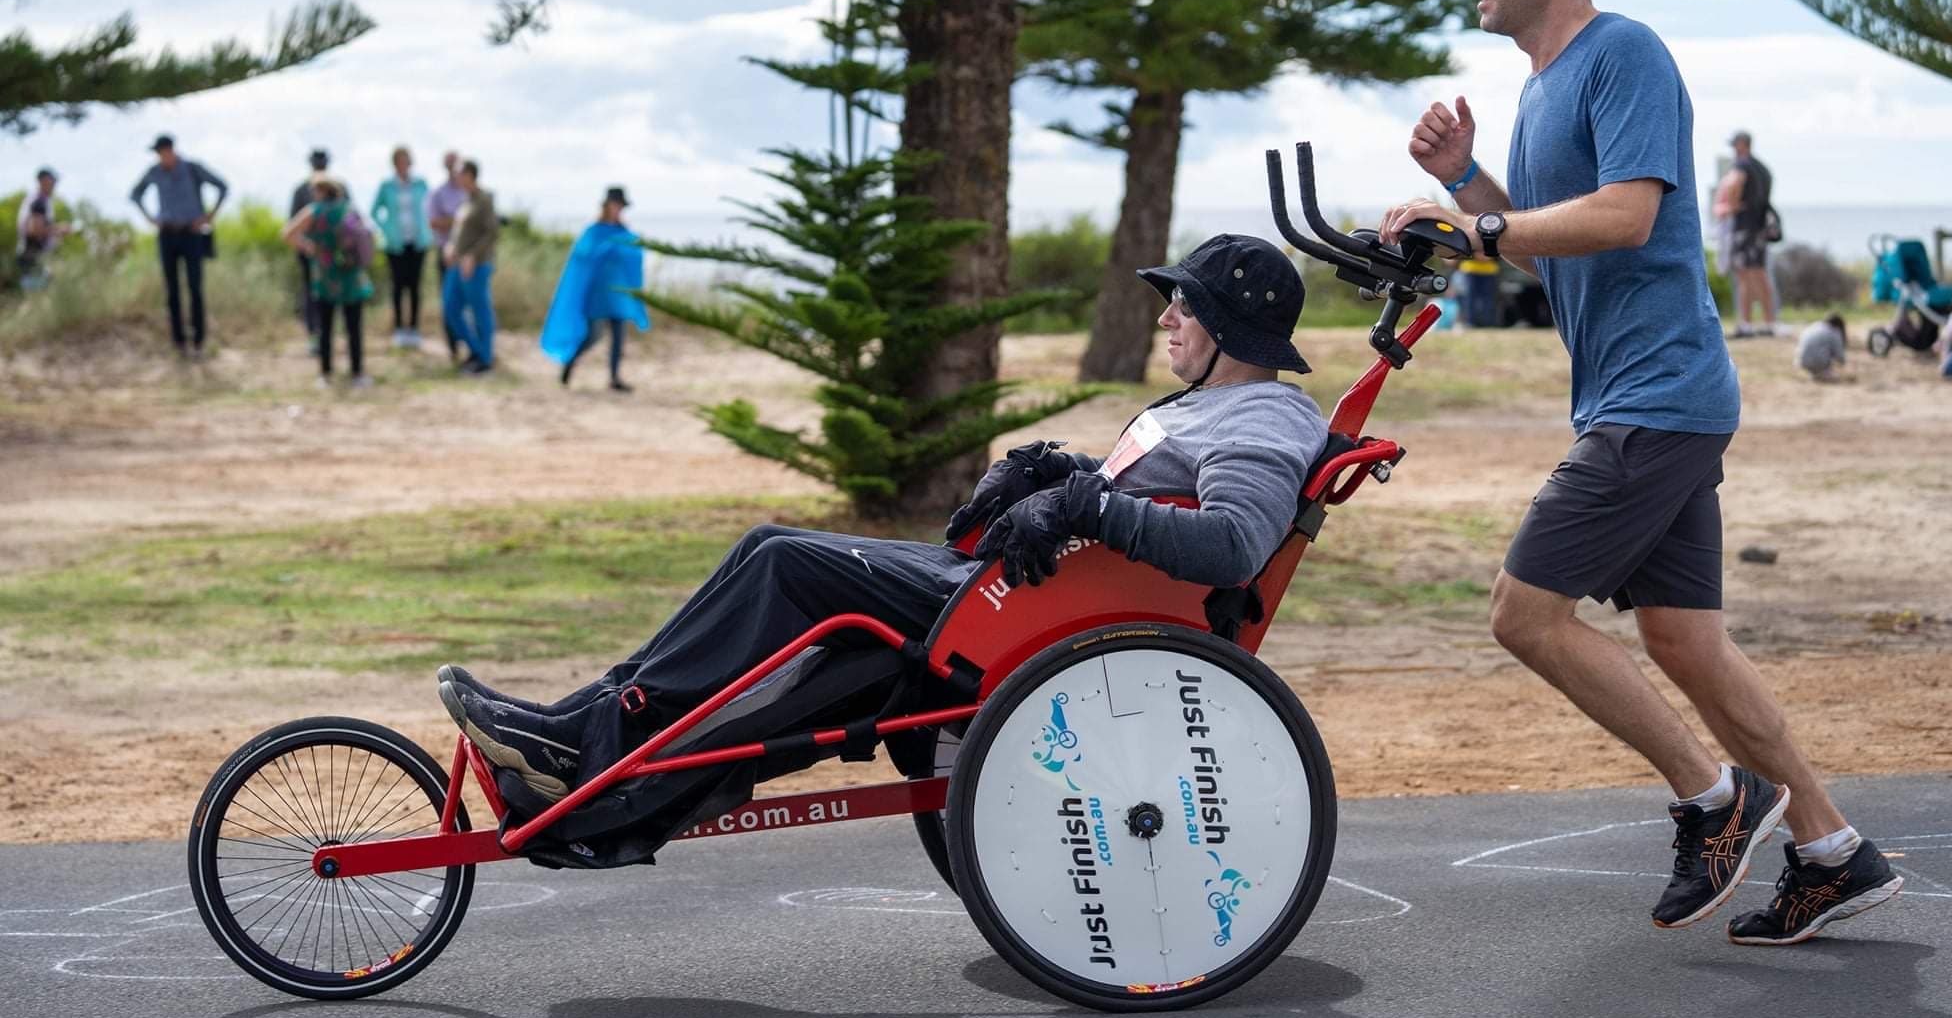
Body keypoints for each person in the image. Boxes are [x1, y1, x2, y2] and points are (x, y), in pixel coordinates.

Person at [1378, 0, 1899, 946]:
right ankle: (1831, 852)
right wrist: (1471, 185)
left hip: (1657, 396)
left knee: (1522, 615)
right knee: (1685, 644)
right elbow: (1542, 241)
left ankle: (1713, 800)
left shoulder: (1624, 55)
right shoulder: (1540, 89)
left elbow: (1621, 217)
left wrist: (1472, 229)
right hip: (1641, 397)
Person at [437, 234, 1328, 814]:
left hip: (1029, 617)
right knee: (779, 571)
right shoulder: (1214, 401)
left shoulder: (1261, 419)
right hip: (1016, 594)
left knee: (780, 558)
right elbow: (1149, 495)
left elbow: (1230, 545)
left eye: (1187, 305)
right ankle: (583, 729)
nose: (1167, 316)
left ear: (1231, 330)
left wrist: (1086, 503)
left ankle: (591, 742)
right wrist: (1062, 471)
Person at [129, 134, 229, 359]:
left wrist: (209, 216)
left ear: (171, 150)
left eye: (163, 151)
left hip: (191, 234)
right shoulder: (154, 172)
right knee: (171, 291)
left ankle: (199, 342)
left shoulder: (192, 169)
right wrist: (150, 218)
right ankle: (179, 343)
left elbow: (222, 187)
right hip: (167, 234)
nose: (161, 156)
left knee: (195, 289)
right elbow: (135, 194)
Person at [542, 186, 650, 392]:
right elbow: (582, 257)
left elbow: (632, 258)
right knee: (593, 335)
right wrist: (604, 250)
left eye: (620, 206)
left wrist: (628, 249)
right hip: (598, 292)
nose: (617, 209)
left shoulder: (624, 233)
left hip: (618, 292)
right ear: (607, 205)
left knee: (619, 335)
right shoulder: (594, 231)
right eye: (615, 204)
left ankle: (614, 377)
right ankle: (569, 364)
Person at [283, 173, 375, 388]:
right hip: (352, 275)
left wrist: (310, 247)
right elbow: (368, 235)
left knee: (325, 326)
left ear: (320, 191)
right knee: (354, 327)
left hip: (325, 276)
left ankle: (325, 374)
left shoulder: (314, 211)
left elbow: (288, 233)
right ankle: (358, 373)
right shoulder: (350, 208)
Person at [371, 146, 431, 349]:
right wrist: (386, 230)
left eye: (406, 160)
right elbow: (374, 211)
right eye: (399, 161)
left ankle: (413, 328)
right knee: (398, 286)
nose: (403, 165)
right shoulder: (386, 186)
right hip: (395, 244)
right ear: (394, 163)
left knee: (414, 286)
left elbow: (429, 207)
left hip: (417, 241)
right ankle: (399, 329)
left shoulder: (420, 184)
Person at [441, 159, 498, 374]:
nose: (456, 176)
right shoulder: (465, 201)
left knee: (480, 311)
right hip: (457, 264)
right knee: (450, 308)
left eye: (459, 173)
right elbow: (459, 233)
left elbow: (492, 233)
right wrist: (450, 247)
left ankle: (485, 358)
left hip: (476, 265)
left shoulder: (484, 200)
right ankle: (475, 350)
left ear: (470, 175)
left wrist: (473, 256)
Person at [1724, 132, 1778, 337]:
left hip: (1744, 226)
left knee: (1744, 274)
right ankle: (1769, 323)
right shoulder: (1763, 168)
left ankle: (1745, 324)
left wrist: (1731, 205)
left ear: (1741, 145)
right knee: (1760, 274)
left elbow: (1735, 183)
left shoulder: (1742, 165)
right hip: (1760, 225)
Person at [288, 149, 334, 350]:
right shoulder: (301, 191)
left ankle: (328, 335)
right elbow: (291, 226)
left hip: (333, 254)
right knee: (311, 293)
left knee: (332, 295)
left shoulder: (339, 189)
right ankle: (314, 335)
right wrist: (308, 247)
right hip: (309, 254)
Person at [427, 150, 468, 359]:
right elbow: (434, 223)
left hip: (469, 254)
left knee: (468, 302)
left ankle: (471, 344)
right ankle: (453, 347)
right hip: (447, 254)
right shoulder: (438, 193)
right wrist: (460, 221)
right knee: (449, 301)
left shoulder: (469, 192)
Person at [14, 167, 69, 290]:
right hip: (33, 255)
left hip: (31, 255)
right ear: (44, 181)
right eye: (53, 181)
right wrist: (59, 229)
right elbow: (34, 229)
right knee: (37, 296)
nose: (55, 184)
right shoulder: (39, 202)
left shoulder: (36, 200)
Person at [1795, 313, 1847, 381]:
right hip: (1817, 362)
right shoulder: (1834, 331)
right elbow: (1840, 356)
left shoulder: (1815, 325)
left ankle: (1816, 373)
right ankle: (1823, 374)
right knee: (1827, 353)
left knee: (1821, 349)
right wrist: (1843, 363)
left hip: (1800, 360)